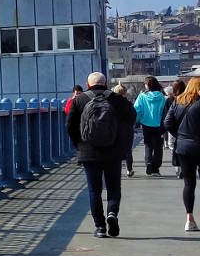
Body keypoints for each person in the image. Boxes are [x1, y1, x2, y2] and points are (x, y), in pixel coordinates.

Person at [67, 72, 136, 238]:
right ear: (105, 84)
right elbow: (132, 117)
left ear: (88, 84)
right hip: (112, 151)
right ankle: (112, 213)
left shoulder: (79, 100)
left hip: (89, 152)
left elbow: (70, 126)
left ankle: (100, 227)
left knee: (94, 190)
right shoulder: (117, 99)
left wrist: (79, 145)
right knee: (113, 188)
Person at [164, 76, 200, 232]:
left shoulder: (177, 101)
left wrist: (180, 136)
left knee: (189, 183)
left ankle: (189, 219)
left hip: (184, 147)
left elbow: (167, 123)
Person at [134, 76, 167, 175]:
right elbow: (165, 112)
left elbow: (137, 110)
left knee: (148, 145)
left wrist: (137, 121)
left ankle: (148, 162)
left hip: (146, 124)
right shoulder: (162, 97)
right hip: (159, 124)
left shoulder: (142, 96)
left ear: (147, 85)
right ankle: (156, 167)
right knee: (158, 147)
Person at [111, 83, 136, 176]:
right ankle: (129, 169)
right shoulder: (128, 104)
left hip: (115, 129)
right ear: (125, 93)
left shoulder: (111, 104)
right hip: (127, 129)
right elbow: (133, 116)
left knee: (115, 149)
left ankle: (116, 170)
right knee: (128, 150)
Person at [165, 79, 187, 177]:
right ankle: (182, 167)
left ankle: (178, 169)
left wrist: (174, 132)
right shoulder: (191, 99)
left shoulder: (172, 100)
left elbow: (167, 121)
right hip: (188, 131)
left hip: (175, 129)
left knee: (173, 146)